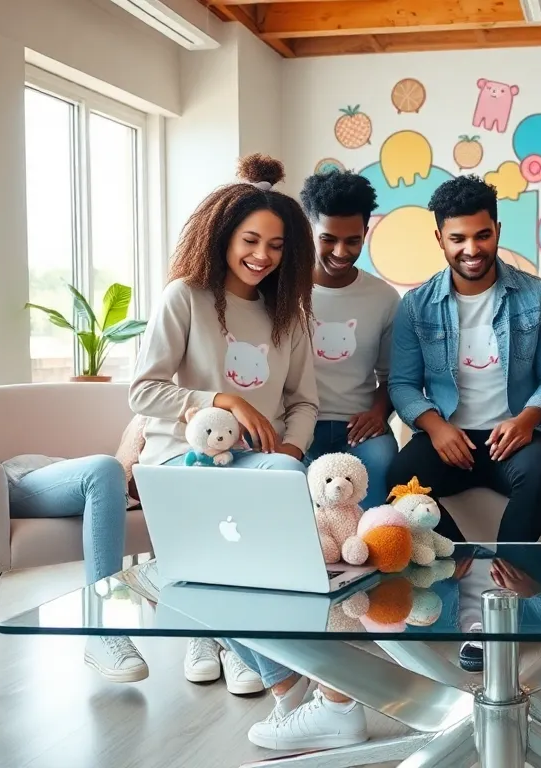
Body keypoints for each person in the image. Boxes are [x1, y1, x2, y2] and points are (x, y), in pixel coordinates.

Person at [130, 155, 361, 750]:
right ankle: (314, 697)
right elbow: (143, 391)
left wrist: (289, 444)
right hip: (185, 465)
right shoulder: (185, 297)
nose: (262, 255)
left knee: (268, 574)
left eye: (277, 246)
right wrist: (224, 399)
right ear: (222, 236)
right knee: (224, 579)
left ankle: (312, 697)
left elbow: (305, 402)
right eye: (250, 240)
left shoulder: (287, 312)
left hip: (267, 465)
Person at [385, 174, 541, 672]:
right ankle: (463, 566)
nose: (472, 248)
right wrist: (437, 427)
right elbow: (402, 384)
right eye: (458, 238)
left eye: (482, 235)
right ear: (440, 239)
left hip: (513, 435)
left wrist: (529, 418)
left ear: (497, 230)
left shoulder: (536, 296)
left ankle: (494, 604)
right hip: (449, 438)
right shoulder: (417, 306)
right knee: (398, 481)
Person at [300, 170, 400, 507]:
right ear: (308, 231)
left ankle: (366, 555)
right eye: (328, 238)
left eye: (353, 240)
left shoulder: (383, 298)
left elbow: (392, 376)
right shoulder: (283, 292)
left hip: (358, 428)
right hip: (297, 424)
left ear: (365, 234)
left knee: (384, 459)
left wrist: (377, 411)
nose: (341, 251)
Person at [5, 455, 140, 681]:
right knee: (105, 469)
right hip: (19, 475)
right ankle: (103, 629)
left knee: (107, 471)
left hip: (61, 469)